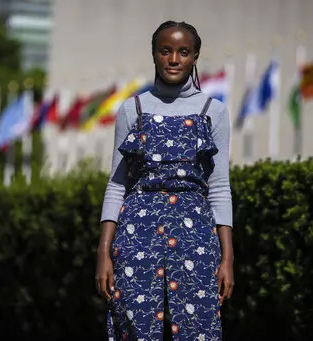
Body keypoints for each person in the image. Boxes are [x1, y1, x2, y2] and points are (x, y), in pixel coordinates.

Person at [95, 20, 234, 340]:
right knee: (134, 326)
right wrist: (104, 252)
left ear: (195, 57)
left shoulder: (215, 111)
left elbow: (219, 187)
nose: (174, 59)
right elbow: (117, 185)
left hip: (196, 236)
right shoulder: (133, 109)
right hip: (136, 236)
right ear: (154, 55)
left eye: (183, 52)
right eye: (166, 51)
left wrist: (227, 258)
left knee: (198, 327)